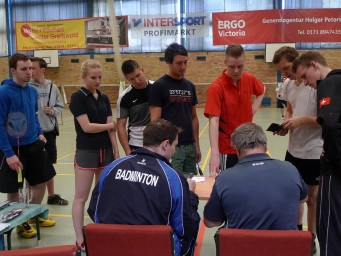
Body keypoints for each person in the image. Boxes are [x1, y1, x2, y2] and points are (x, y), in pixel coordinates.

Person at [88, 119, 200, 256]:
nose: (175, 151)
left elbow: (94, 211)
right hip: (153, 249)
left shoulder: (112, 167)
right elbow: (185, 227)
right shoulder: (172, 177)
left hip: (111, 247)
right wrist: (190, 195)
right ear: (165, 144)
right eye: (174, 146)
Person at [203, 122, 308, 230]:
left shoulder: (224, 179)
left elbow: (210, 222)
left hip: (242, 246)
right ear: (266, 147)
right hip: (285, 245)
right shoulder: (290, 170)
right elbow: (303, 198)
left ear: (237, 151)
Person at [272, 46, 322, 254]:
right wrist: (286, 122)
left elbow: (324, 120)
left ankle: (311, 238)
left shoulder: (316, 86)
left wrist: (300, 121)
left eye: (286, 68)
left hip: (313, 151)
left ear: (298, 62)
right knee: (294, 194)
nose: (284, 73)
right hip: (293, 149)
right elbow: (290, 107)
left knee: (312, 198)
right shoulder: (288, 85)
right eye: (281, 70)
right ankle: (296, 233)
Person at [0, 53, 56, 238]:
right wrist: (8, 154)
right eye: (24, 69)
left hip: (34, 144)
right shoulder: (4, 92)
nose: (29, 72)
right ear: (13, 70)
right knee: (13, 189)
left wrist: (39, 132)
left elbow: (33, 115)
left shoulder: (31, 91)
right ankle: (20, 222)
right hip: (13, 149)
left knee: (40, 181)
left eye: (31, 68)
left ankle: (32, 214)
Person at [293, 51, 341, 256]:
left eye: (304, 76)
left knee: (329, 226)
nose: (305, 82)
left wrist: (335, 159)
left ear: (314, 66)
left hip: (334, 168)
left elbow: (329, 123)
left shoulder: (328, 84)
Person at [69, 59, 119, 253]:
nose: (97, 81)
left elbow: (111, 128)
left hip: (105, 151)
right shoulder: (78, 97)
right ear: (84, 77)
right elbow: (87, 127)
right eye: (93, 78)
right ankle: (80, 239)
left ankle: (99, 231)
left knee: (103, 194)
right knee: (81, 197)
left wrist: (115, 149)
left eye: (100, 77)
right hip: (86, 151)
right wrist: (109, 126)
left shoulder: (104, 98)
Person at [204, 44, 265, 177]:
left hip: (248, 145)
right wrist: (215, 154)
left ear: (244, 63)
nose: (236, 71)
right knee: (229, 185)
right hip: (228, 148)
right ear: (225, 63)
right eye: (232, 66)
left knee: (248, 183)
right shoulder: (216, 88)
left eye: (240, 66)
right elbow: (213, 121)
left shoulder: (248, 78)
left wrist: (253, 108)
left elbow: (261, 90)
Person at [149, 43, 201, 175]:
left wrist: (197, 146)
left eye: (185, 62)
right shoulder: (159, 86)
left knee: (192, 183)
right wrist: (164, 148)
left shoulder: (190, 86)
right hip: (171, 147)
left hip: (190, 147)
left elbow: (194, 117)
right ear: (168, 62)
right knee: (173, 184)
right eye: (179, 63)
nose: (183, 67)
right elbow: (155, 121)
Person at [30, 57, 68, 206]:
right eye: (28, 68)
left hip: (49, 131)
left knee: (49, 165)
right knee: (33, 167)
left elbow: (60, 106)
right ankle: (32, 200)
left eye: (33, 68)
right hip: (33, 134)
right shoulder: (28, 88)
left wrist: (52, 111)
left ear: (43, 70)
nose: (31, 71)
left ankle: (51, 195)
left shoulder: (52, 87)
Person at [117, 59, 153, 155]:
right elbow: (120, 126)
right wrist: (128, 151)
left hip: (157, 142)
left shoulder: (157, 88)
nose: (137, 81)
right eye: (132, 79)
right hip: (136, 144)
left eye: (138, 75)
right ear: (127, 79)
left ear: (142, 70)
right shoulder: (124, 97)